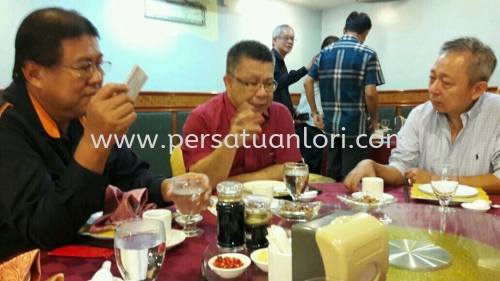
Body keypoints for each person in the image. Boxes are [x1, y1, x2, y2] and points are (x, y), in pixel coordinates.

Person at [0, 8, 210, 261]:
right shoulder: (8, 126)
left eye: (99, 64)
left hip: (83, 252)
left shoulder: (80, 115)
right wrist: (93, 141)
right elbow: (44, 230)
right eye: (84, 67)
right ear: (34, 73)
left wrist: (167, 186)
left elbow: (129, 173)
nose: (98, 77)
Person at [345, 37, 500, 194]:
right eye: (432, 78)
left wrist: (437, 180)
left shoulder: (496, 114)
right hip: (428, 214)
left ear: (477, 90)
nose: (433, 89)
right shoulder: (420, 115)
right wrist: (375, 167)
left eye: (446, 83)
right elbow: (402, 167)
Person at [181, 40, 302, 187]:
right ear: (228, 82)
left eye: (269, 84)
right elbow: (200, 180)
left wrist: (233, 181)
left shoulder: (281, 114)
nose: (263, 93)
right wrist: (230, 142)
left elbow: (289, 168)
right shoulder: (201, 118)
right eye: (252, 83)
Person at [305, 11, 385, 182]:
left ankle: (330, 207)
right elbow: (370, 93)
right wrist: (374, 118)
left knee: (332, 174)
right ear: (365, 32)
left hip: (331, 127)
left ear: (344, 29)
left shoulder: (324, 53)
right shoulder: (368, 54)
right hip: (356, 128)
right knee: (352, 177)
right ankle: (349, 209)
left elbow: (307, 82)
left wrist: (315, 113)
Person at [295, 35, 339, 174]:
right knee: (312, 166)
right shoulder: (324, 63)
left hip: (305, 120)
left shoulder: (320, 63)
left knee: (310, 165)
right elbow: (307, 84)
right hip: (311, 122)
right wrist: (316, 114)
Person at [272, 24, 317, 119]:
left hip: (281, 116)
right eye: (286, 38)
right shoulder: (270, 59)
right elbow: (277, 83)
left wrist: (292, 110)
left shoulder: (280, 62)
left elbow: (282, 92)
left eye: (292, 39)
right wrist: (305, 69)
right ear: (275, 40)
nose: (290, 42)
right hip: (274, 117)